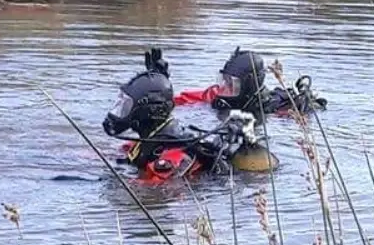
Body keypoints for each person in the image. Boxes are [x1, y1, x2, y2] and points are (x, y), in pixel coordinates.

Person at [102, 48, 264, 183]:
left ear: (146, 113)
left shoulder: (173, 156)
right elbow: (118, 154)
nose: (120, 112)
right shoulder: (148, 139)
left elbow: (152, 190)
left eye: (126, 105)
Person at [172, 47, 327, 116]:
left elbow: (313, 109)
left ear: (248, 85)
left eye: (231, 84)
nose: (224, 88)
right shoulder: (219, 96)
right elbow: (183, 99)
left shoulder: (274, 108)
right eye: (224, 81)